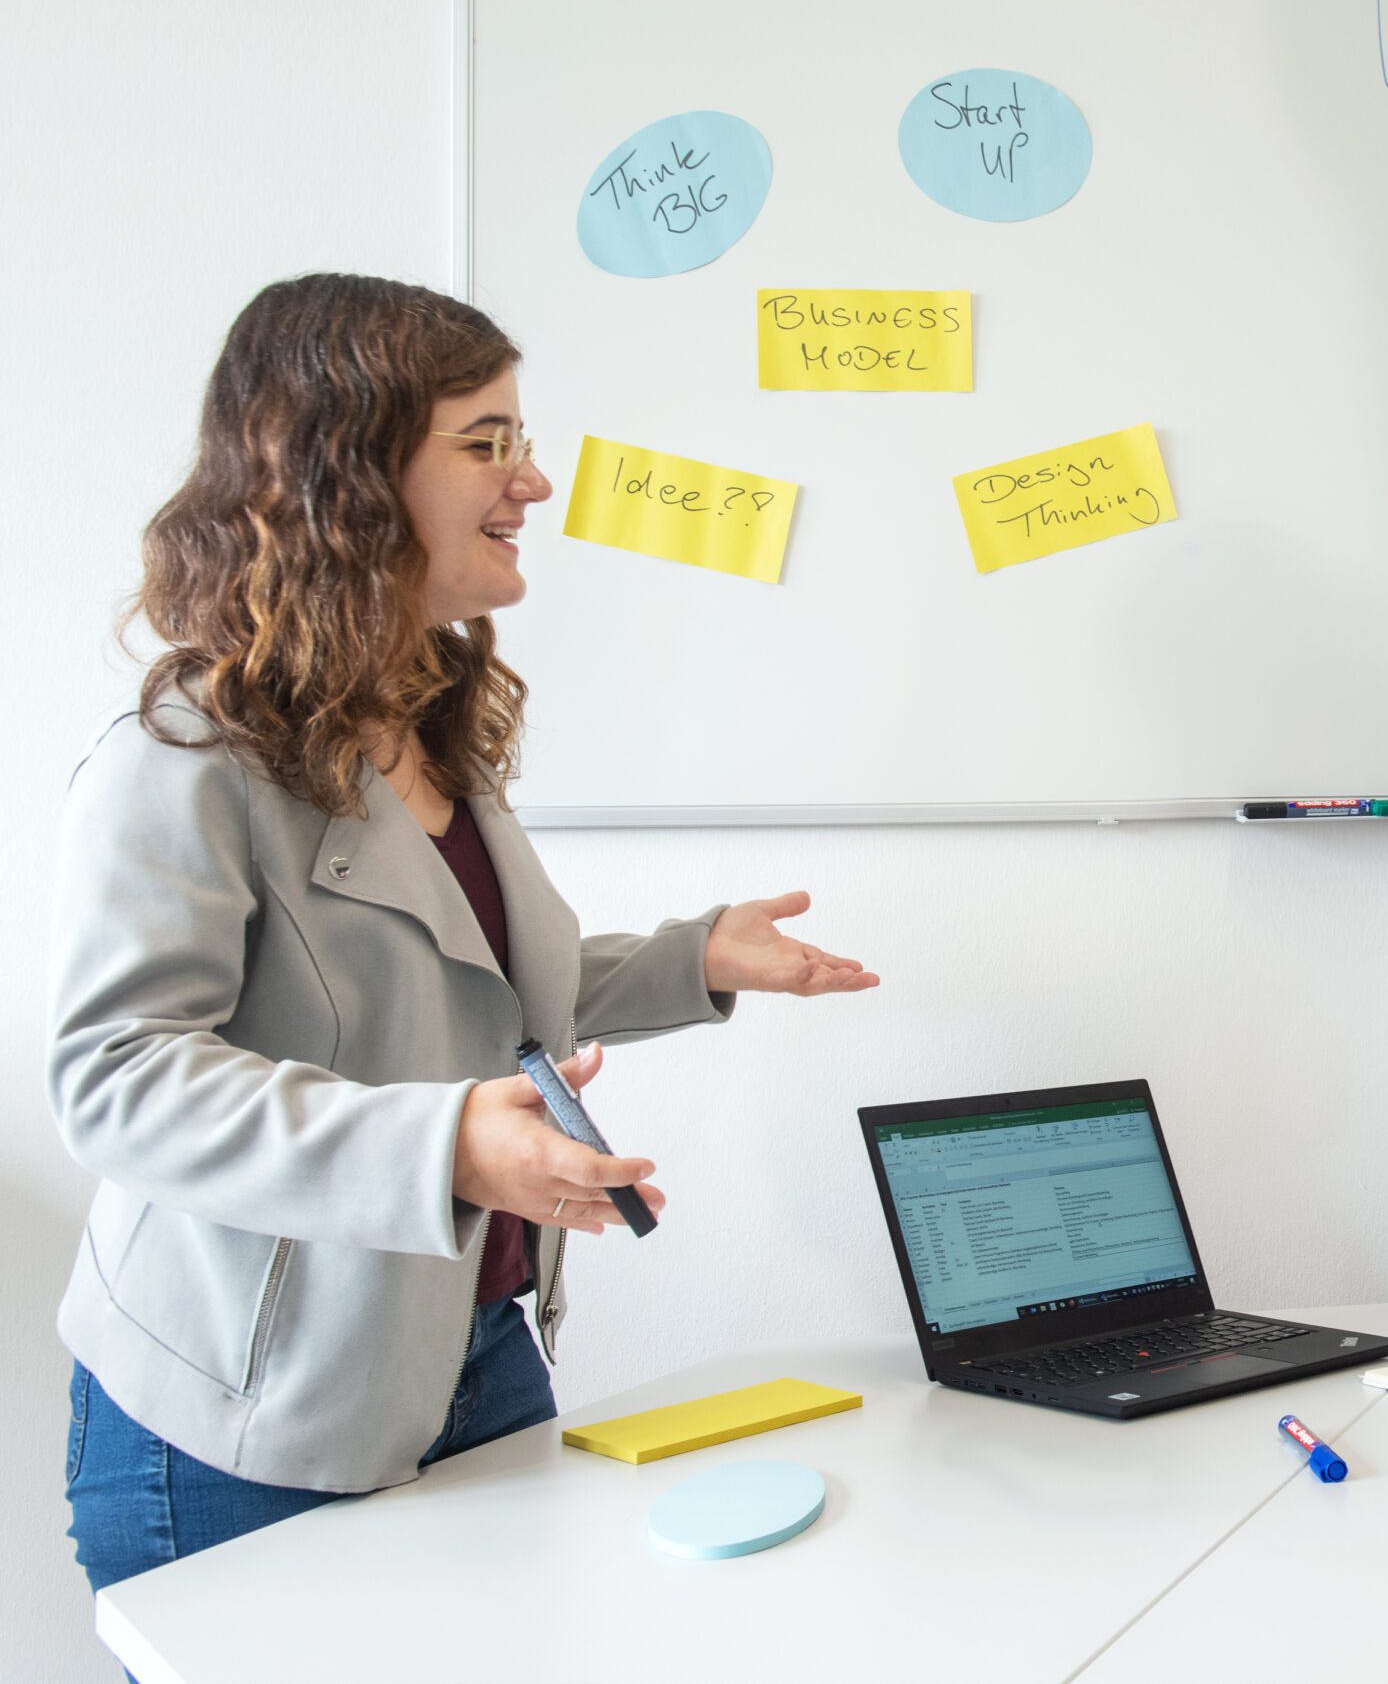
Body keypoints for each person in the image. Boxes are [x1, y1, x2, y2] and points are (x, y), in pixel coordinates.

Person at [54, 274, 879, 1598]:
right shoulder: (185, 756)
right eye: (487, 442)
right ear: (350, 476)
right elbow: (119, 1078)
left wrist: (694, 955)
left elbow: (459, 997)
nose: (534, 479)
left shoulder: (428, 720)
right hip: (246, 1412)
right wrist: (443, 1144)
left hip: (471, 1346)